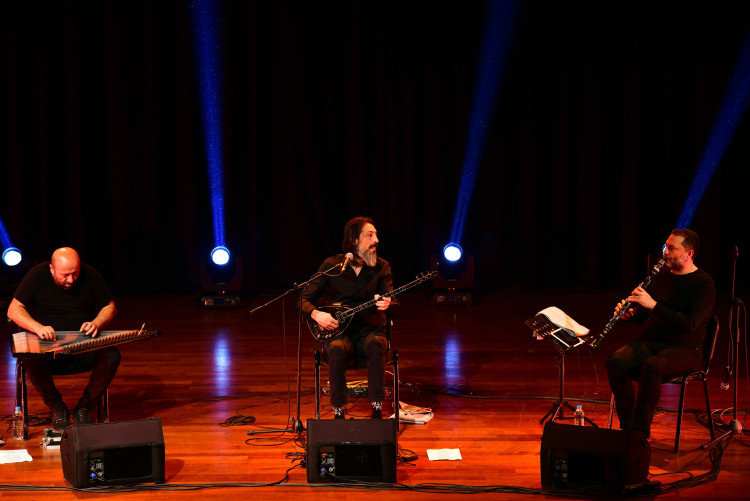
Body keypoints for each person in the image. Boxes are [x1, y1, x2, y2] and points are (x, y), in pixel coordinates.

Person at [606, 229, 715, 438]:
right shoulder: (660, 275)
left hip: (685, 349)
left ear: (688, 254)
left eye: (672, 248)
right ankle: (628, 427)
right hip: (652, 342)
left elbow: (689, 324)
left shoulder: (704, 284)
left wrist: (653, 305)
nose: (665, 251)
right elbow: (645, 314)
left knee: (652, 366)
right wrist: (630, 314)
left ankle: (640, 432)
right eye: (666, 246)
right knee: (615, 361)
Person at [7, 247, 120, 431]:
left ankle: (84, 408)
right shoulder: (37, 275)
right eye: (65, 275)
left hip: (83, 346)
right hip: (48, 351)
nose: (71, 280)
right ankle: (57, 408)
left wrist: (97, 323)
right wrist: (38, 327)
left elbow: (110, 307)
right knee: (27, 358)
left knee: (112, 356)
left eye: (75, 274)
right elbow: (14, 309)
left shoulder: (90, 274)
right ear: (52, 269)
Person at [301, 217, 393, 419]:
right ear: (353, 241)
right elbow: (304, 299)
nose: (376, 240)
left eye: (376, 234)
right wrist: (317, 314)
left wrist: (387, 302)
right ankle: (338, 409)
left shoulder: (382, 267)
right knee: (335, 348)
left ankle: (376, 407)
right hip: (340, 332)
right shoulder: (332, 266)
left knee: (377, 343)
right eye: (370, 235)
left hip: (370, 329)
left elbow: (391, 299)